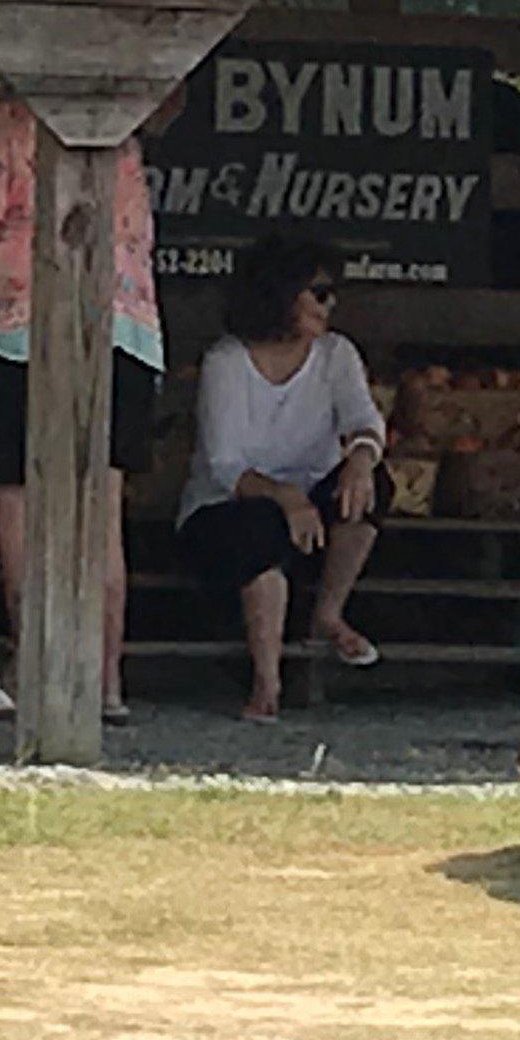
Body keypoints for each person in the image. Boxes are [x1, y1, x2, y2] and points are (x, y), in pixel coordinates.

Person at [0, 85, 176, 726]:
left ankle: (32, 672)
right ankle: (104, 683)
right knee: (101, 511)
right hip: (124, 327)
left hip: (23, 329)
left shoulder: (9, 121)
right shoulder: (116, 126)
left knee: (18, 507)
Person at [178, 235, 390, 723]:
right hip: (226, 508)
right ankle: (266, 680)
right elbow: (223, 464)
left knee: (374, 487)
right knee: (258, 529)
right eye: (318, 292)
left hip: (312, 505)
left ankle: (329, 613)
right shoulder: (227, 362)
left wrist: (361, 457)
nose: (328, 305)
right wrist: (284, 497)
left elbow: (365, 419)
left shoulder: (337, 354)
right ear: (281, 294)